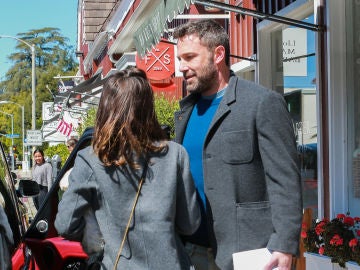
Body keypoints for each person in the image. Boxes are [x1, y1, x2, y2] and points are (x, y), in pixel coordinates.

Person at [173, 19, 303, 270]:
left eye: (189, 57)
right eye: (180, 59)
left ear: (218, 54)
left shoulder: (261, 103)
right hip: (191, 252)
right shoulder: (185, 113)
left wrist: (285, 246)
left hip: (249, 253)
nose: (182, 67)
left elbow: (285, 180)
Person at [55, 67, 200, 270]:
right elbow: (190, 224)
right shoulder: (175, 154)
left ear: (105, 108)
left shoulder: (90, 160)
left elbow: (65, 224)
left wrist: (99, 230)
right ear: (148, 107)